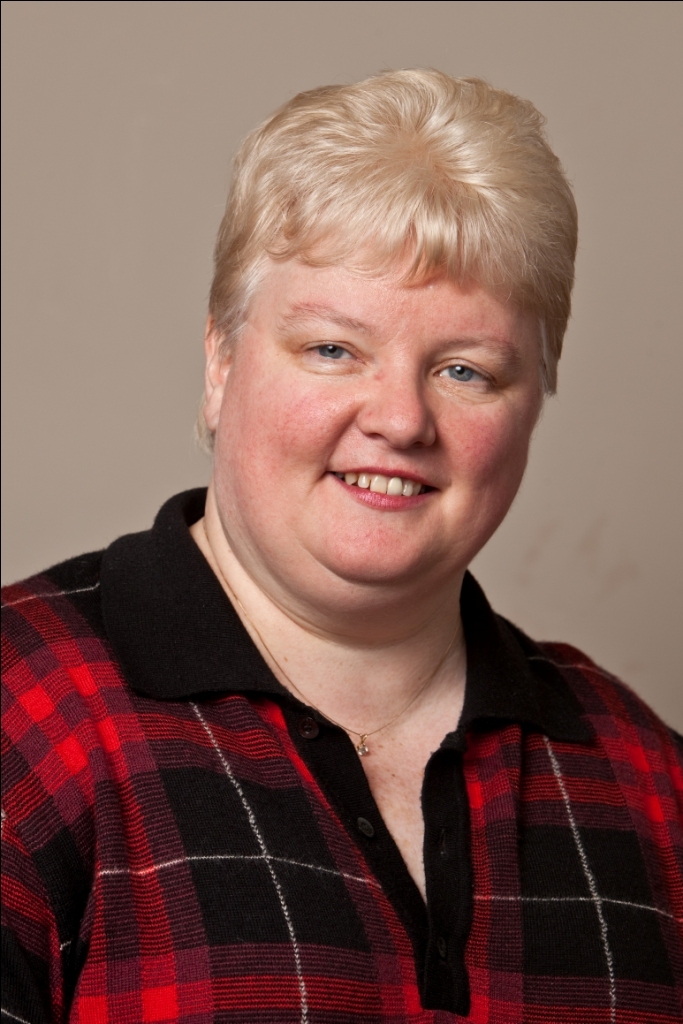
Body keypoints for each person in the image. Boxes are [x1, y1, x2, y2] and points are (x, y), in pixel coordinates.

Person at [2, 69, 681, 1024]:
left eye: (464, 370)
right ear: (220, 360)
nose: (400, 419)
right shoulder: (22, 712)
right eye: (332, 349)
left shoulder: (642, 773)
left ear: (533, 403)